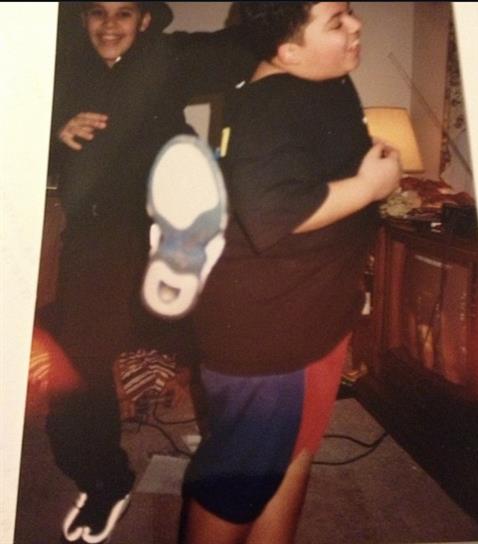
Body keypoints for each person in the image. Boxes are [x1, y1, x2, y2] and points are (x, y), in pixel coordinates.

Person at [142, 2, 401, 543]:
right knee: (237, 484)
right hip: (271, 335)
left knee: (292, 454)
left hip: (314, 314)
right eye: (336, 22)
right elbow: (274, 210)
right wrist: (370, 187)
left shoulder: (323, 77)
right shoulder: (271, 106)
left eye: (350, 12)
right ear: (288, 53)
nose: (356, 25)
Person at [43, 3, 255, 543]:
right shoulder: (59, 69)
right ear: (81, 19)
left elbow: (243, 50)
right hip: (96, 241)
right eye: (98, 12)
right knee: (76, 365)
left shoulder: (167, 56)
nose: (110, 25)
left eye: (124, 13)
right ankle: (104, 480)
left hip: (167, 232)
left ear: (144, 20)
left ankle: (234, 458)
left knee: (213, 345)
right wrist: (53, 131)